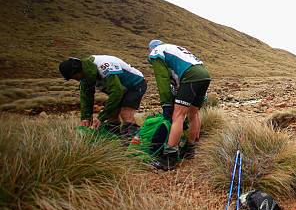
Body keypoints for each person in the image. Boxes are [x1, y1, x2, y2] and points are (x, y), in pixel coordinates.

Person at [147, 40, 211, 171]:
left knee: (178, 116)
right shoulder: (173, 49)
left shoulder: (156, 53)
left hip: (191, 75)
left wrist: (166, 104)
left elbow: (162, 80)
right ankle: (190, 149)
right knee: (193, 114)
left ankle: (169, 158)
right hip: (204, 74)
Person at [59, 55, 147, 138]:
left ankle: (133, 143)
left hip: (135, 84)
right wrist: (86, 118)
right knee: (111, 116)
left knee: (125, 114)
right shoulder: (85, 77)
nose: (76, 80)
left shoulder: (103, 65)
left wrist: (100, 118)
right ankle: (115, 140)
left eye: (75, 77)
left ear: (78, 70)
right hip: (120, 89)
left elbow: (117, 92)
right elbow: (86, 97)